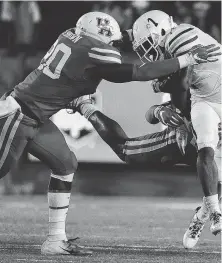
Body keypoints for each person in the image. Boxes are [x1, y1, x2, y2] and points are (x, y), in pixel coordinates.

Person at [0, 11, 219, 256]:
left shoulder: (70, 36)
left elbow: (110, 45)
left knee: (65, 164)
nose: (114, 45)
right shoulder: (97, 49)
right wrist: (186, 60)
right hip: (18, 115)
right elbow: (139, 73)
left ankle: (55, 240)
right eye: (111, 42)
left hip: (37, 117)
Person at [126, 10, 221, 248]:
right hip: (191, 131)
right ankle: (209, 211)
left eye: (148, 44)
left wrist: (161, 83)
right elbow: (151, 113)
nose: (147, 52)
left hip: (207, 119)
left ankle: (203, 214)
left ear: (161, 31)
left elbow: (180, 85)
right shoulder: (176, 66)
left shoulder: (180, 37)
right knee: (129, 153)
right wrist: (160, 111)